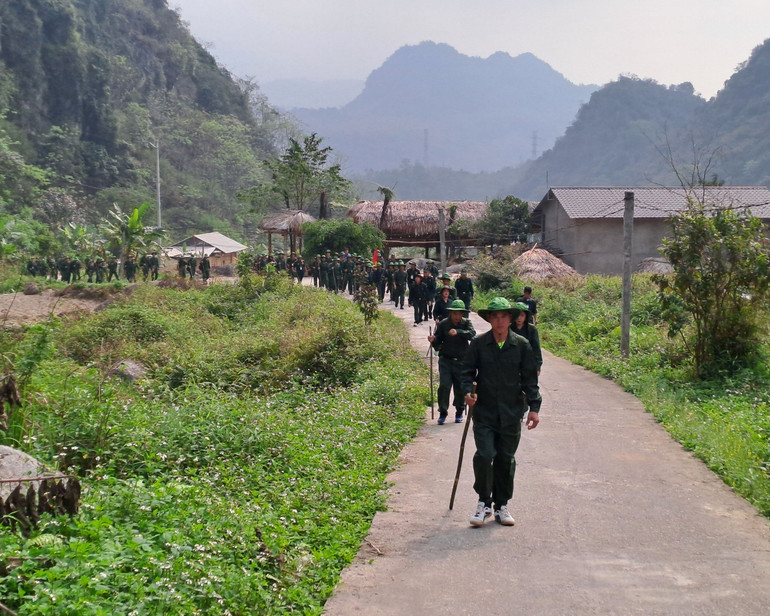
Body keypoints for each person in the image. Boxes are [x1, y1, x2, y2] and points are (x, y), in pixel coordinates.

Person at [461, 297, 541, 527]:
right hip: (484, 411)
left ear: (510, 319)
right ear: (489, 319)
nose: (499, 320)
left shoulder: (522, 345)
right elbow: (466, 372)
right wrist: (468, 392)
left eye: (503, 316)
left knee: (506, 459)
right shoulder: (478, 343)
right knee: (485, 455)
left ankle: (501, 505)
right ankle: (484, 503)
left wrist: (534, 408)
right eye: (494, 316)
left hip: (511, 412)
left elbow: (529, 380)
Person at [429, 299, 476, 424]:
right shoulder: (444, 324)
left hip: (462, 361)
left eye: (459, 313)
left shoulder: (466, 323)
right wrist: (433, 340)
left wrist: (459, 332)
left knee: (460, 387)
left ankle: (459, 411)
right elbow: (438, 340)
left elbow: (472, 335)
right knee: (444, 386)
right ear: (450, 313)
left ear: (462, 314)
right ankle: (443, 412)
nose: (457, 316)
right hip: (446, 360)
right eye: (454, 313)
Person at [511, 302, 542, 376]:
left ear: (526, 316)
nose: (519, 318)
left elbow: (536, 348)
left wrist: (537, 366)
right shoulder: (509, 328)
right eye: (517, 315)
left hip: (527, 361)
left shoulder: (532, 329)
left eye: (522, 315)